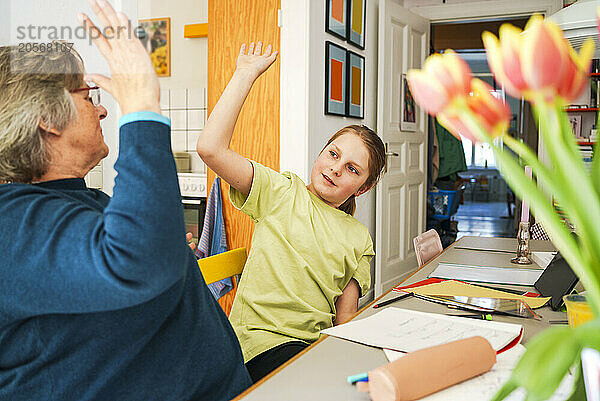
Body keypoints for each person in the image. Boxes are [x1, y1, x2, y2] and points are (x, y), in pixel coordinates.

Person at [0, 1, 251, 400]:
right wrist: (140, 106)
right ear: (45, 117)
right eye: (88, 97)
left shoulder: (84, 201)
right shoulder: (7, 221)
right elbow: (137, 263)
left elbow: (131, 268)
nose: (102, 108)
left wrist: (173, 255)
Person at [196, 41, 386, 382]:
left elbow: (345, 321)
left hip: (316, 347)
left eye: (353, 168)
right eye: (333, 154)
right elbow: (210, 148)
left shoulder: (359, 238)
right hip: (261, 345)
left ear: (364, 188)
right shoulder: (280, 192)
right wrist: (245, 75)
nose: (337, 168)